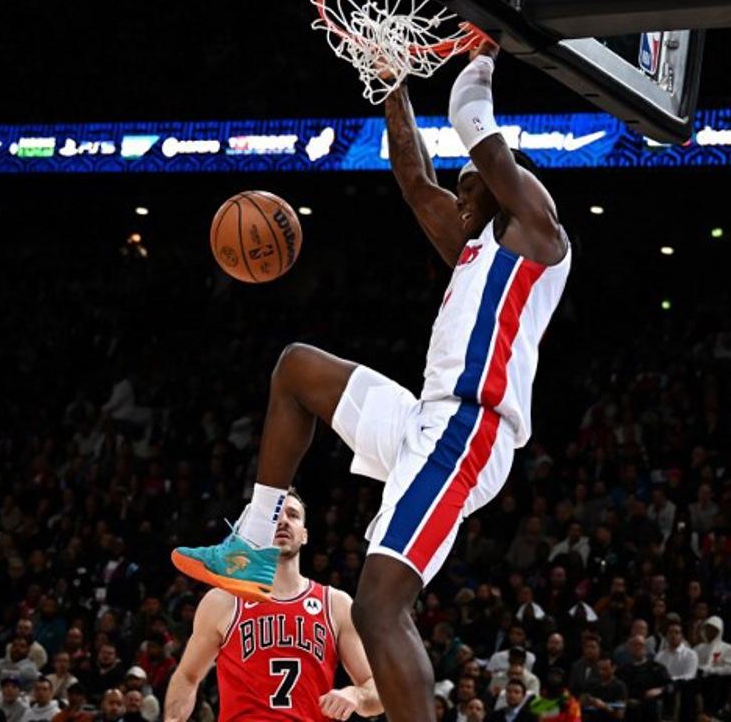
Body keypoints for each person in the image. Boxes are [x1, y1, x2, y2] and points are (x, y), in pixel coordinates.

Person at [171, 40, 571, 722]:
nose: (456, 193)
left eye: (469, 186)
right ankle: (251, 543)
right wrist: (391, 85)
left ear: (499, 192)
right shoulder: (473, 247)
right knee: (296, 367)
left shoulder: (536, 236)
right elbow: (415, 178)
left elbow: (475, 121)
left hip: (468, 432)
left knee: (380, 604)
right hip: (427, 420)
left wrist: (483, 53)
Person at [164, 490, 383, 722]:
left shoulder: (335, 604)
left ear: (305, 534)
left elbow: (376, 689)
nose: (283, 521)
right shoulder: (223, 601)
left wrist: (356, 696)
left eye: (293, 515)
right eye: (274, 515)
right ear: (257, 530)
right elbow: (188, 676)